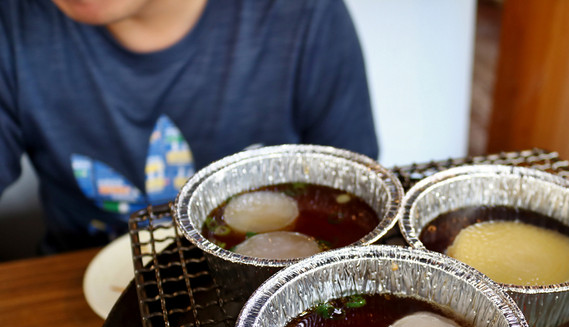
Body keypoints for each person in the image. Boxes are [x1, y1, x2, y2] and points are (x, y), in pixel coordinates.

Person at [0, 0, 379, 253]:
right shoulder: (12, 24)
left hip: (260, 284)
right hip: (74, 281)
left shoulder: (302, 14)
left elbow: (354, 200)